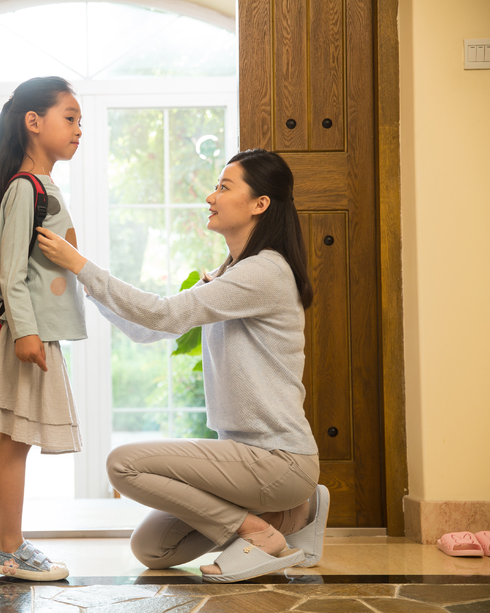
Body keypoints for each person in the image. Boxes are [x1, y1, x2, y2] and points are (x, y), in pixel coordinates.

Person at [36, 149, 330, 583]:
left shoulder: (264, 272)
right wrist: (84, 282)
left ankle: (259, 530)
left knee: (124, 465)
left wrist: (80, 264)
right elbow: (148, 329)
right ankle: (296, 512)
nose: (211, 196)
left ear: (260, 204)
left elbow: (161, 314)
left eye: (224, 187)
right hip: (244, 460)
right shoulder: (229, 273)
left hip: (276, 458)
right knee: (154, 549)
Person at [0, 76, 86, 582]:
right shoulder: (25, 188)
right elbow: (10, 273)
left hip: (40, 332)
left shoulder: (42, 186)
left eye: (80, 120)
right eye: (70, 117)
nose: (78, 129)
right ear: (34, 121)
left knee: (15, 439)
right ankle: (7, 548)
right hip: (29, 335)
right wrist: (24, 332)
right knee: (13, 438)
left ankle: (10, 544)